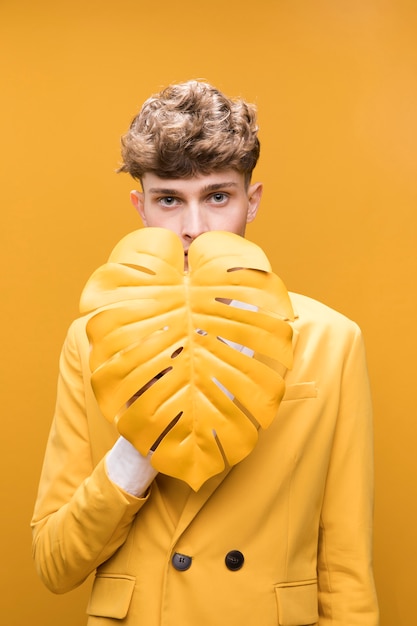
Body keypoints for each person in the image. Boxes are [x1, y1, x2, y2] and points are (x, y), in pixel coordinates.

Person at [31, 80, 379, 625]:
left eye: (218, 197)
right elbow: (55, 564)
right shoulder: (92, 340)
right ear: (140, 208)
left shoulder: (331, 342)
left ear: (252, 201)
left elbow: (346, 572)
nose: (193, 229)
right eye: (169, 200)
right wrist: (140, 440)